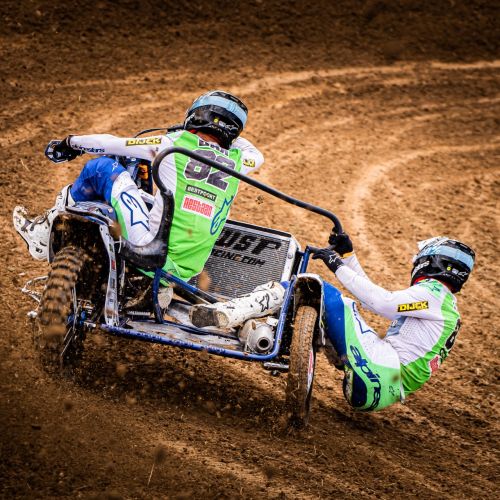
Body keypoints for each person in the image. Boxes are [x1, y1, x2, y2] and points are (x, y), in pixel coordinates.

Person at [190, 233, 475, 411]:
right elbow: (372, 302)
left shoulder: (434, 293)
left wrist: (336, 265)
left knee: (317, 286)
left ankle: (229, 312)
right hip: (383, 384)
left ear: (433, 261)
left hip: (382, 370)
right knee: (340, 306)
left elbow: (380, 302)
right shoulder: (443, 304)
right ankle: (277, 329)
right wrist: (348, 257)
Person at [13, 90, 264, 286]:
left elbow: (111, 144)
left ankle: (42, 235)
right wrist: (227, 134)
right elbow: (255, 153)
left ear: (197, 115)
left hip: (150, 253)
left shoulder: (173, 142)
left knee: (100, 168)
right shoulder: (241, 161)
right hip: (186, 272)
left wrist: (70, 143)